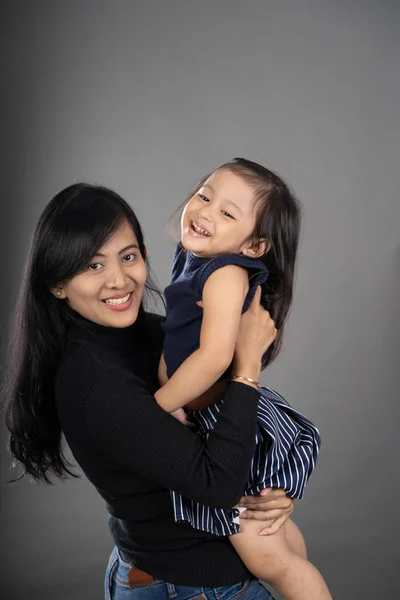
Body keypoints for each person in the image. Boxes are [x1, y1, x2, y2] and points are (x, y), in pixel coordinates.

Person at [4, 183, 295, 600]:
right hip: (190, 584)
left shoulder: (153, 333)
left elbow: (233, 431)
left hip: (186, 572)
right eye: (92, 266)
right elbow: (219, 486)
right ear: (57, 285)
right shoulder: (94, 383)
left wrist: (272, 493)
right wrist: (246, 368)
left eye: (128, 256)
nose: (119, 280)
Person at [155, 158, 332, 600]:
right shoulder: (194, 256)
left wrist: (157, 406)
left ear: (254, 247)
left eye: (227, 213)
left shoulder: (227, 275)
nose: (205, 211)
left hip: (225, 417)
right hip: (211, 408)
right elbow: (176, 337)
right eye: (204, 195)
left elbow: (214, 358)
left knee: (268, 560)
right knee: (281, 543)